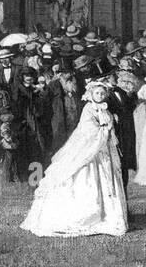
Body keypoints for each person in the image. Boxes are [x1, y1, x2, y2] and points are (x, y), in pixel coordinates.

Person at [21, 79, 128, 237]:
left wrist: (111, 126)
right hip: (89, 149)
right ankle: (83, 215)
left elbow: (109, 123)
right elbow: (88, 129)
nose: (99, 95)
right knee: (84, 175)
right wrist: (104, 131)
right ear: (91, 94)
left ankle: (107, 215)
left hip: (103, 150)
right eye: (97, 93)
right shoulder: (88, 108)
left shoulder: (105, 109)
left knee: (105, 180)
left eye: (102, 93)